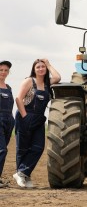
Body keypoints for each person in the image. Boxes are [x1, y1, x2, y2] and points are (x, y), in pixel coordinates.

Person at [13, 59, 61, 188]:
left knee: (38, 147)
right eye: (38, 67)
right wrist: (25, 116)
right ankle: (24, 176)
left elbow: (57, 77)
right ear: (34, 69)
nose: (41, 69)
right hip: (26, 116)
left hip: (39, 119)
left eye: (43, 67)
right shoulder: (29, 81)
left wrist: (49, 64)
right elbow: (19, 99)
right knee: (23, 148)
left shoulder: (47, 83)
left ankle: (22, 172)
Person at [0, 60, 15, 188]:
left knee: (3, 149)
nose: (3, 72)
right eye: (1, 70)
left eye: (6, 70)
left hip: (9, 120)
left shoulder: (8, 87)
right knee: (2, 150)